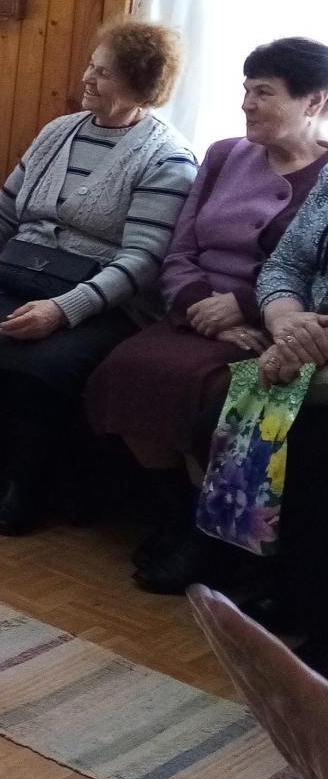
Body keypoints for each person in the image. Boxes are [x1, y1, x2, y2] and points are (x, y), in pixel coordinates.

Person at [0, 19, 197, 537]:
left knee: (47, 364)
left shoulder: (166, 158)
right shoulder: (57, 133)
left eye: (104, 72)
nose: (87, 77)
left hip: (106, 300)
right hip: (25, 276)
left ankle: (28, 477)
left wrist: (62, 311)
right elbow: (0, 212)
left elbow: (142, 261)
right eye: (92, 65)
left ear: (140, 85)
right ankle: (57, 465)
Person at [84, 38, 328, 592]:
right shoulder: (223, 155)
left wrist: (243, 307)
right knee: (127, 368)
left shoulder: (325, 177)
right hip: (192, 311)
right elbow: (180, 248)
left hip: (265, 325)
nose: (247, 104)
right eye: (245, 89)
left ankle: (209, 540)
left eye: (263, 93)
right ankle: (179, 511)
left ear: (313, 102)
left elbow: (306, 273)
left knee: (207, 395)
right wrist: (197, 304)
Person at [245, 163, 328, 671]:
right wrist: (288, 323)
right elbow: (285, 264)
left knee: (315, 444)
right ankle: (296, 591)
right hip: (309, 344)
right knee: (252, 415)